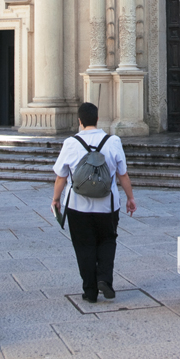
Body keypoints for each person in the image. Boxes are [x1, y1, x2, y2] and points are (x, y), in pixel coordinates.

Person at [51, 102, 137, 304]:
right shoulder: (113, 141)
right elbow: (123, 174)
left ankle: (89, 291)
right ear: (97, 119)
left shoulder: (71, 143)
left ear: (79, 121)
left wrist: (56, 199)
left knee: (84, 246)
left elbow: (61, 177)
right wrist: (130, 198)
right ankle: (105, 279)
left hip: (77, 206)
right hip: (107, 205)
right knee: (108, 241)